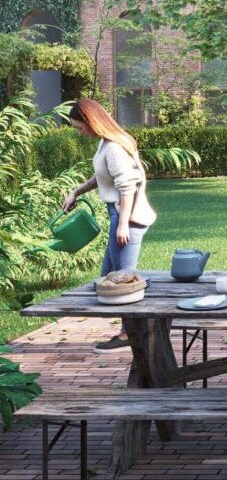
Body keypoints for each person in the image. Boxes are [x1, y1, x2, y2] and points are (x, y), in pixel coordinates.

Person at [62, 98, 156, 353]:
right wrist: (77, 191)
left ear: (91, 121)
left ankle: (130, 335)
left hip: (127, 216)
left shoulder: (113, 146)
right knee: (110, 274)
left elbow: (127, 187)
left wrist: (123, 224)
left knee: (121, 280)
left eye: (79, 127)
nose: (80, 132)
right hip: (120, 214)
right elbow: (103, 176)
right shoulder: (108, 143)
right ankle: (132, 331)